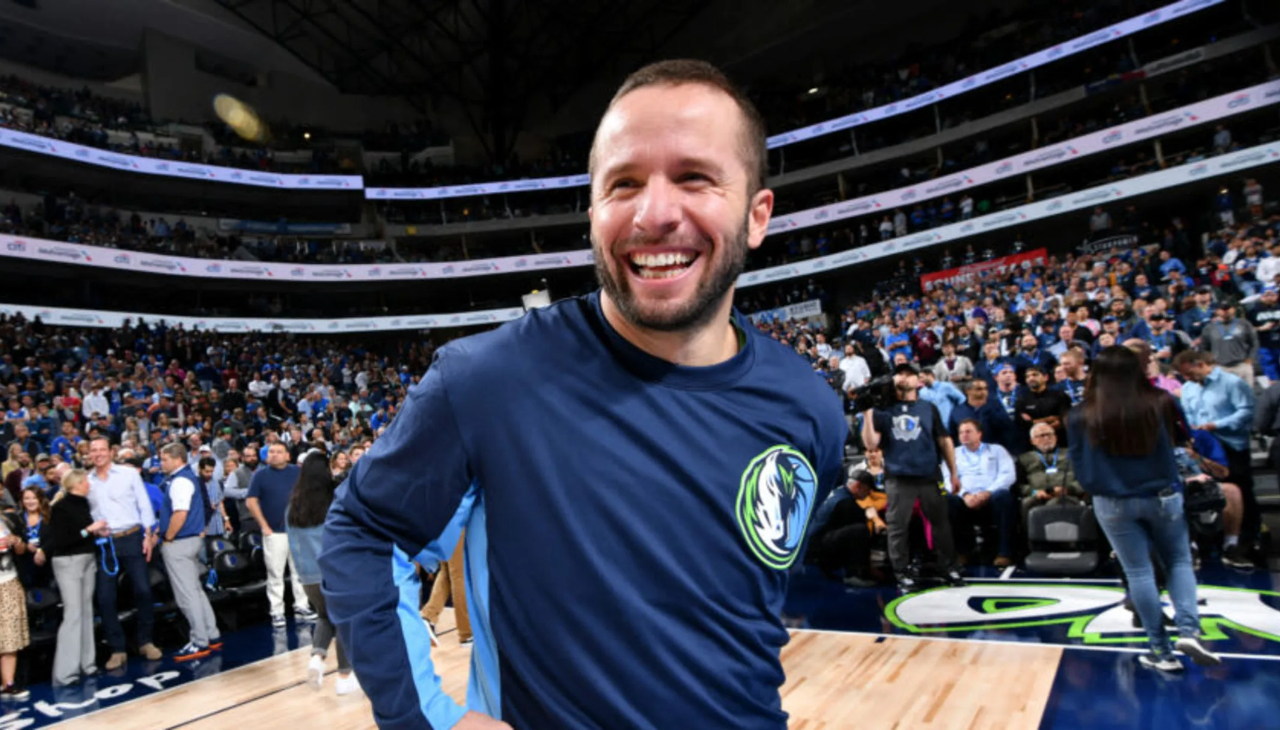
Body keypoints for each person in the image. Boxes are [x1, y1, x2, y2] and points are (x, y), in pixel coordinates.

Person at [320, 59, 847, 730]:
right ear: (594, 210)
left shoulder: (811, 409)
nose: (655, 213)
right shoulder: (488, 382)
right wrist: (428, 720)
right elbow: (364, 532)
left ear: (756, 214)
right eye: (623, 183)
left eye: (694, 177)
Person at [1066, 346, 1220, 671]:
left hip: (1112, 501)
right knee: (1179, 561)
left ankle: (1161, 651)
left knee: (1139, 572)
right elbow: (1184, 438)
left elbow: (1077, 464)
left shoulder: (1080, 413)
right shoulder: (1161, 401)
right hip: (1162, 495)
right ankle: (1190, 630)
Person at [861, 362, 964, 592]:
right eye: (900, 374)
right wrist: (867, 413)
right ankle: (902, 571)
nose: (904, 378)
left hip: (929, 474)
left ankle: (948, 567)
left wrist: (954, 473)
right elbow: (871, 444)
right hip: (899, 476)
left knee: (941, 524)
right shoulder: (883, 410)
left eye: (909, 375)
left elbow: (944, 440)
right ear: (894, 380)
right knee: (898, 527)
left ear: (919, 381)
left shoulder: (928, 407)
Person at [85, 437, 163, 668]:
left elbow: (144, 505)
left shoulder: (129, 474)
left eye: (102, 449)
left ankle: (146, 641)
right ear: (89, 454)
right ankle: (117, 649)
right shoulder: (86, 482)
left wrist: (148, 535)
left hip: (131, 536)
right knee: (106, 598)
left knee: (143, 590)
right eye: (93, 450)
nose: (98, 454)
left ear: (111, 452)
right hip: (105, 543)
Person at [286, 452, 358, 696]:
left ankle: (317, 657)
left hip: (307, 576)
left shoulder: (292, 507)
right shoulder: (333, 501)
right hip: (333, 572)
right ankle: (344, 677)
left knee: (325, 617)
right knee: (344, 622)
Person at [40, 468, 106, 687]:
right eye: (86, 480)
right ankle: (65, 673)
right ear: (77, 483)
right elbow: (62, 540)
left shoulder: (84, 504)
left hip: (87, 558)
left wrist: (95, 532)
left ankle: (87, 664)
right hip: (68, 562)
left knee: (87, 611)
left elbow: (82, 533)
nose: (89, 484)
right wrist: (89, 530)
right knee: (73, 615)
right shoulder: (60, 507)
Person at [156, 443, 221, 661]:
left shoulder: (180, 480)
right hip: (192, 541)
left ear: (177, 459)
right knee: (196, 591)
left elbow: (180, 514)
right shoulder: (188, 478)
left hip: (181, 543)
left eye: (164, 459)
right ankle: (212, 635)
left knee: (187, 595)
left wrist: (168, 537)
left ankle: (199, 641)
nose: (161, 463)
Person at [246, 442, 314, 627]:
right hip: (274, 532)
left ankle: (301, 606)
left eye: (278, 452)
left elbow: (309, 496)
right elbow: (251, 501)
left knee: (299, 572)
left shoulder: (297, 473)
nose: (274, 455)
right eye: (271, 452)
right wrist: (264, 526)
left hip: (297, 530)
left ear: (287, 455)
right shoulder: (260, 475)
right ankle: (277, 611)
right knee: (275, 574)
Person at [420, 531, 473, 647]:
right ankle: (466, 634)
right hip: (457, 523)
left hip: (443, 524)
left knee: (447, 572)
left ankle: (428, 616)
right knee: (459, 575)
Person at [0, 503, 30, 699]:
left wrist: (16, 540)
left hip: (9, 581)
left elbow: (20, 550)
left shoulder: (5, 520)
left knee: (10, 634)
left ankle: (8, 684)